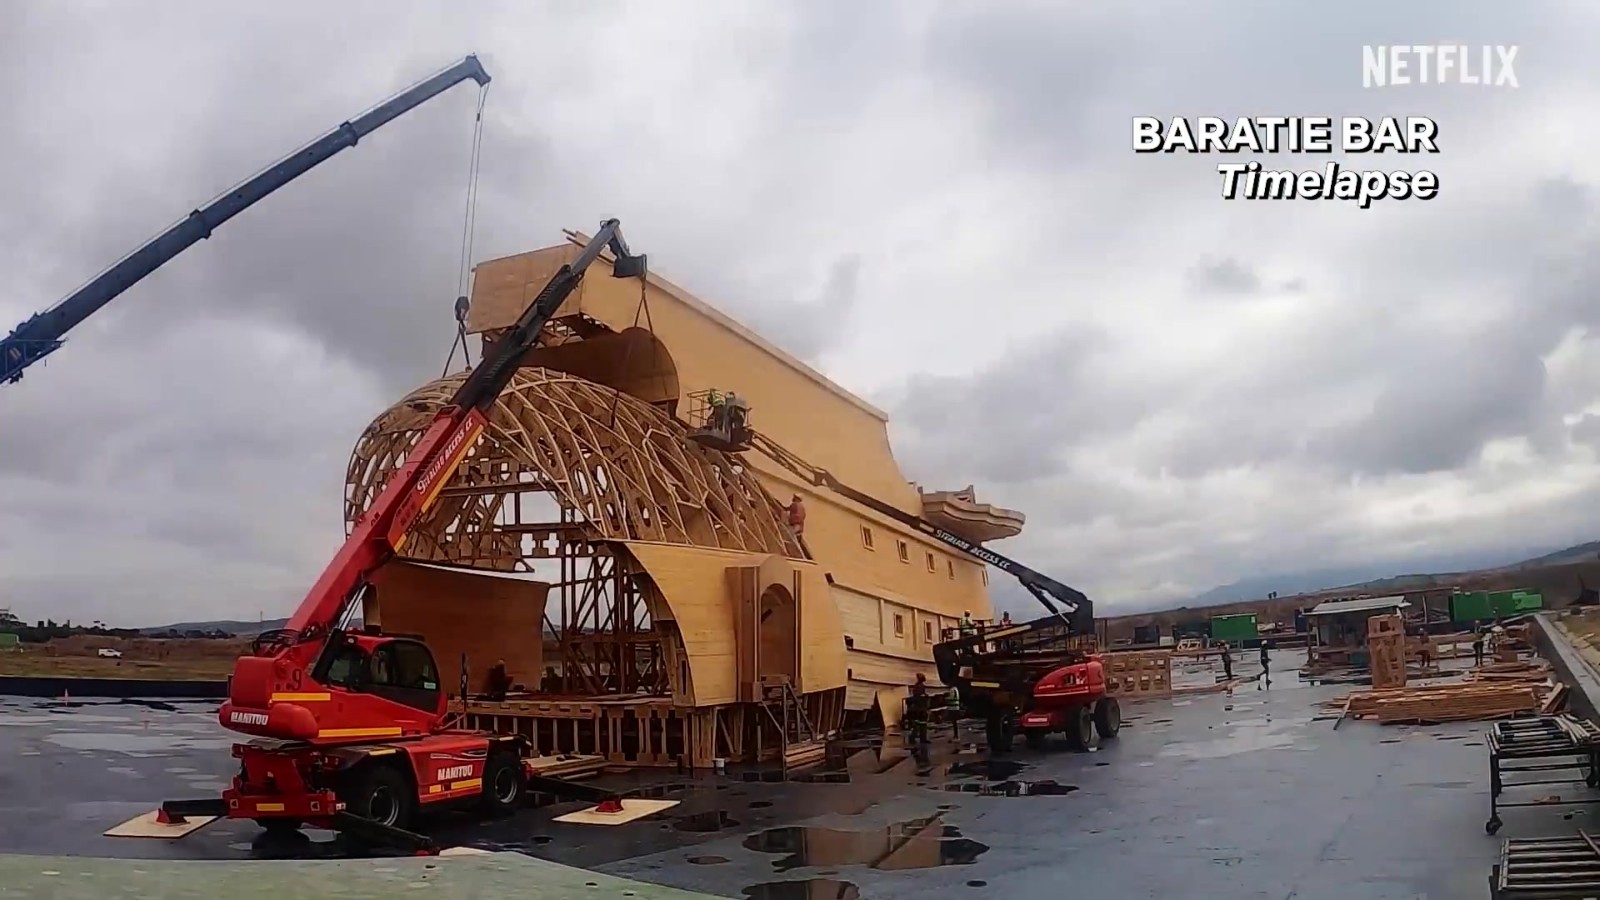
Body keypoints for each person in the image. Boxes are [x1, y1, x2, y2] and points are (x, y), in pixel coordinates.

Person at [905, 673, 931, 745]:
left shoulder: (916, 686)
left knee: (917, 723)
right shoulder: (920, 687)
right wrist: (925, 697)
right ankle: (920, 738)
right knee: (922, 724)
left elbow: (916, 697)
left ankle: (914, 737)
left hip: (917, 708)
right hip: (921, 708)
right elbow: (919, 697)